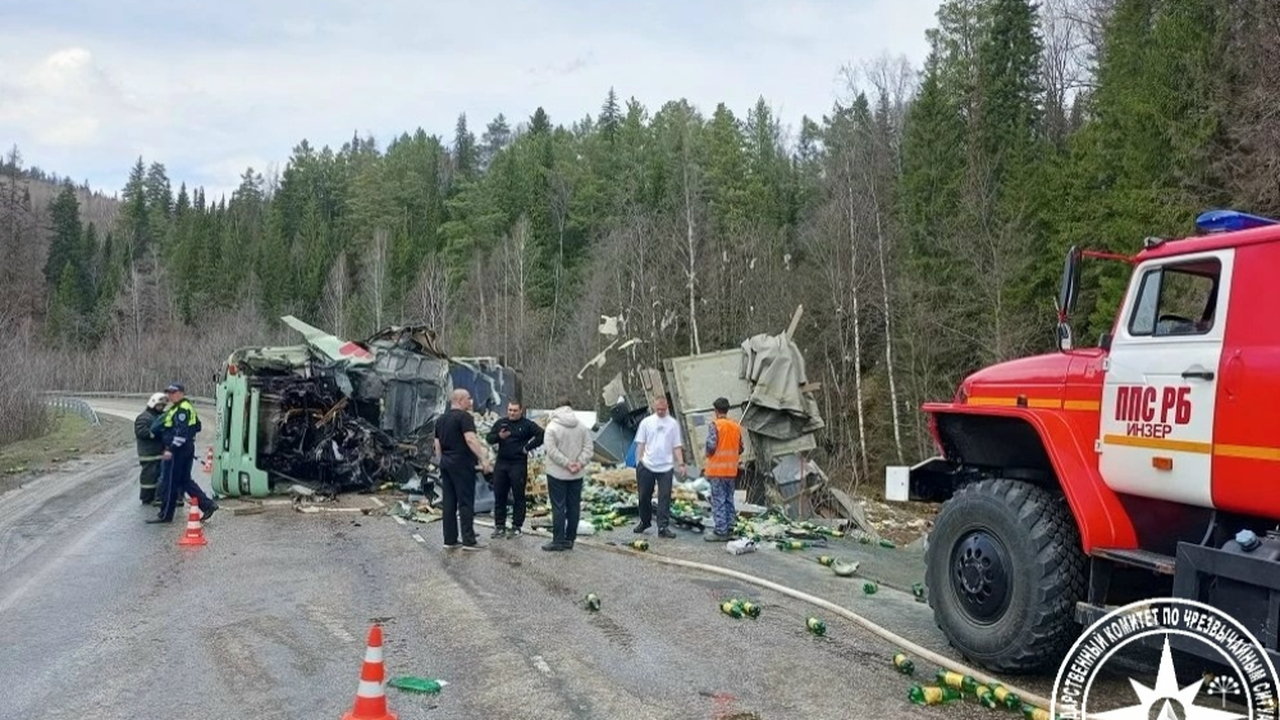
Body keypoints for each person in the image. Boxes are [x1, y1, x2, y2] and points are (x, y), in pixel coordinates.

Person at [147, 383, 219, 524]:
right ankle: (207, 505)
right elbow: (197, 426)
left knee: (171, 482)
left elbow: (181, 433)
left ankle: (165, 515)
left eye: (173, 392)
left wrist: (171, 449)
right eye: (169, 393)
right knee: (184, 481)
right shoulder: (182, 408)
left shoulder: (181, 410)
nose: (170, 395)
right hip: (185, 448)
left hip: (178, 450)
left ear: (181, 393)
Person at [433, 389, 492, 550]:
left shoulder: (441, 419)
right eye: (468, 398)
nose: (471, 401)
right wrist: (483, 459)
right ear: (459, 400)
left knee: (449, 502)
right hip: (462, 464)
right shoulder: (465, 418)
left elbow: (437, 444)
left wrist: (441, 461)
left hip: (446, 464)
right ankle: (469, 540)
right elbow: (470, 439)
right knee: (465, 502)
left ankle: (450, 540)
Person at [484, 400, 544, 539]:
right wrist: (499, 436)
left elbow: (542, 435)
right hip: (502, 464)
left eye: (515, 411)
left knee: (518, 496)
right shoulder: (501, 423)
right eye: (510, 410)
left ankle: (517, 526)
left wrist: (527, 447)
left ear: (520, 411)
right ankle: (500, 526)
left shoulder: (527, 424)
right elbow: (489, 438)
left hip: (518, 464)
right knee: (500, 496)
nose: (511, 413)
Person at [541, 398, 594, 551]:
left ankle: (558, 540)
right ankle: (570, 539)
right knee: (574, 506)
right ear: (570, 408)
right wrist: (578, 463)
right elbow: (589, 448)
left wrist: (566, 463)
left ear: (556, 408)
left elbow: (551, 450)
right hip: (576, 474)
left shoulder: (552, 427)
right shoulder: (582, 427)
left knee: (558, 506)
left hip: (556, 473)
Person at [633, 395, 684, 539]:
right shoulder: (646, 423)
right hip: (647, 464)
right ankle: (645, 521)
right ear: (654, 408)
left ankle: (663, 526)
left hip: (665, 466)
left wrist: (681, 463)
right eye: (658, 409)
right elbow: (641, 443)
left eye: (663, 409)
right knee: (644, 496)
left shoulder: (672, 424)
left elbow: (676, 446)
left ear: (666, 408)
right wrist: (639, 462)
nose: (661, 412)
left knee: (664, 496)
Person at [703, 397, 744, 542]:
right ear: (727, 410)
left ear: (715, 411)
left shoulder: (715, 425)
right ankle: (731, 528)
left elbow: (711, 446)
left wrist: (707, 454)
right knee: (729, 499)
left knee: (718, 500)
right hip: (731, 471)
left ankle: (721, 531)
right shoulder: (735, 426)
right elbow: (740, 448)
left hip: (717, 471)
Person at [134, 392, 167, 505]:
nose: (161, 408)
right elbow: (141, 431)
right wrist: (154, 434)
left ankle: (156, 496)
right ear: (152, 404)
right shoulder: (144, 417)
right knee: (149, 476)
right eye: (159, 405)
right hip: (148, 453)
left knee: (157, 475)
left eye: (162, 406)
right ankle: (146, 497)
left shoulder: (160, 416)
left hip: (158, 452)